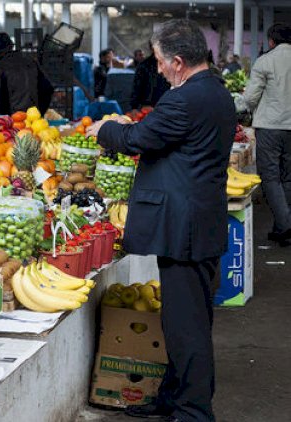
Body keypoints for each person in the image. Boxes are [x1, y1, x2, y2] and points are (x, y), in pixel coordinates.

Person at [86, 19, 235, 422]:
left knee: (187, 329)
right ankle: (174, 398)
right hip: (198, 222)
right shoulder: (215, 91)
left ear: (179, 61)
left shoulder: (185, 99)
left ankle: (193, 412)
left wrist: (106, 129)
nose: (158, 69)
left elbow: (139, 139)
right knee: (184, 321)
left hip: (184, 229)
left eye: (160, 62)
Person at [243, 23, 291, 245]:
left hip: (270, 128)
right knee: (288, 176)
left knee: (271, 177)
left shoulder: (265, 61)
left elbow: (251, 98)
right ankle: (281, 226)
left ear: (271, 41)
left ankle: (285, 225)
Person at [0, 32, 53, 115]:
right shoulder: (30, 61)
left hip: (13, 120)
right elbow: (48, 88)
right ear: (12, 45)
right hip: (33, 118)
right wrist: (39, 112)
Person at [130, 42, 171, 109]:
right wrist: (134, 106)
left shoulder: (170, 64)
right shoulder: (144, 66)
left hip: (166, 105)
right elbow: (137, 87)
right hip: (147, 106)